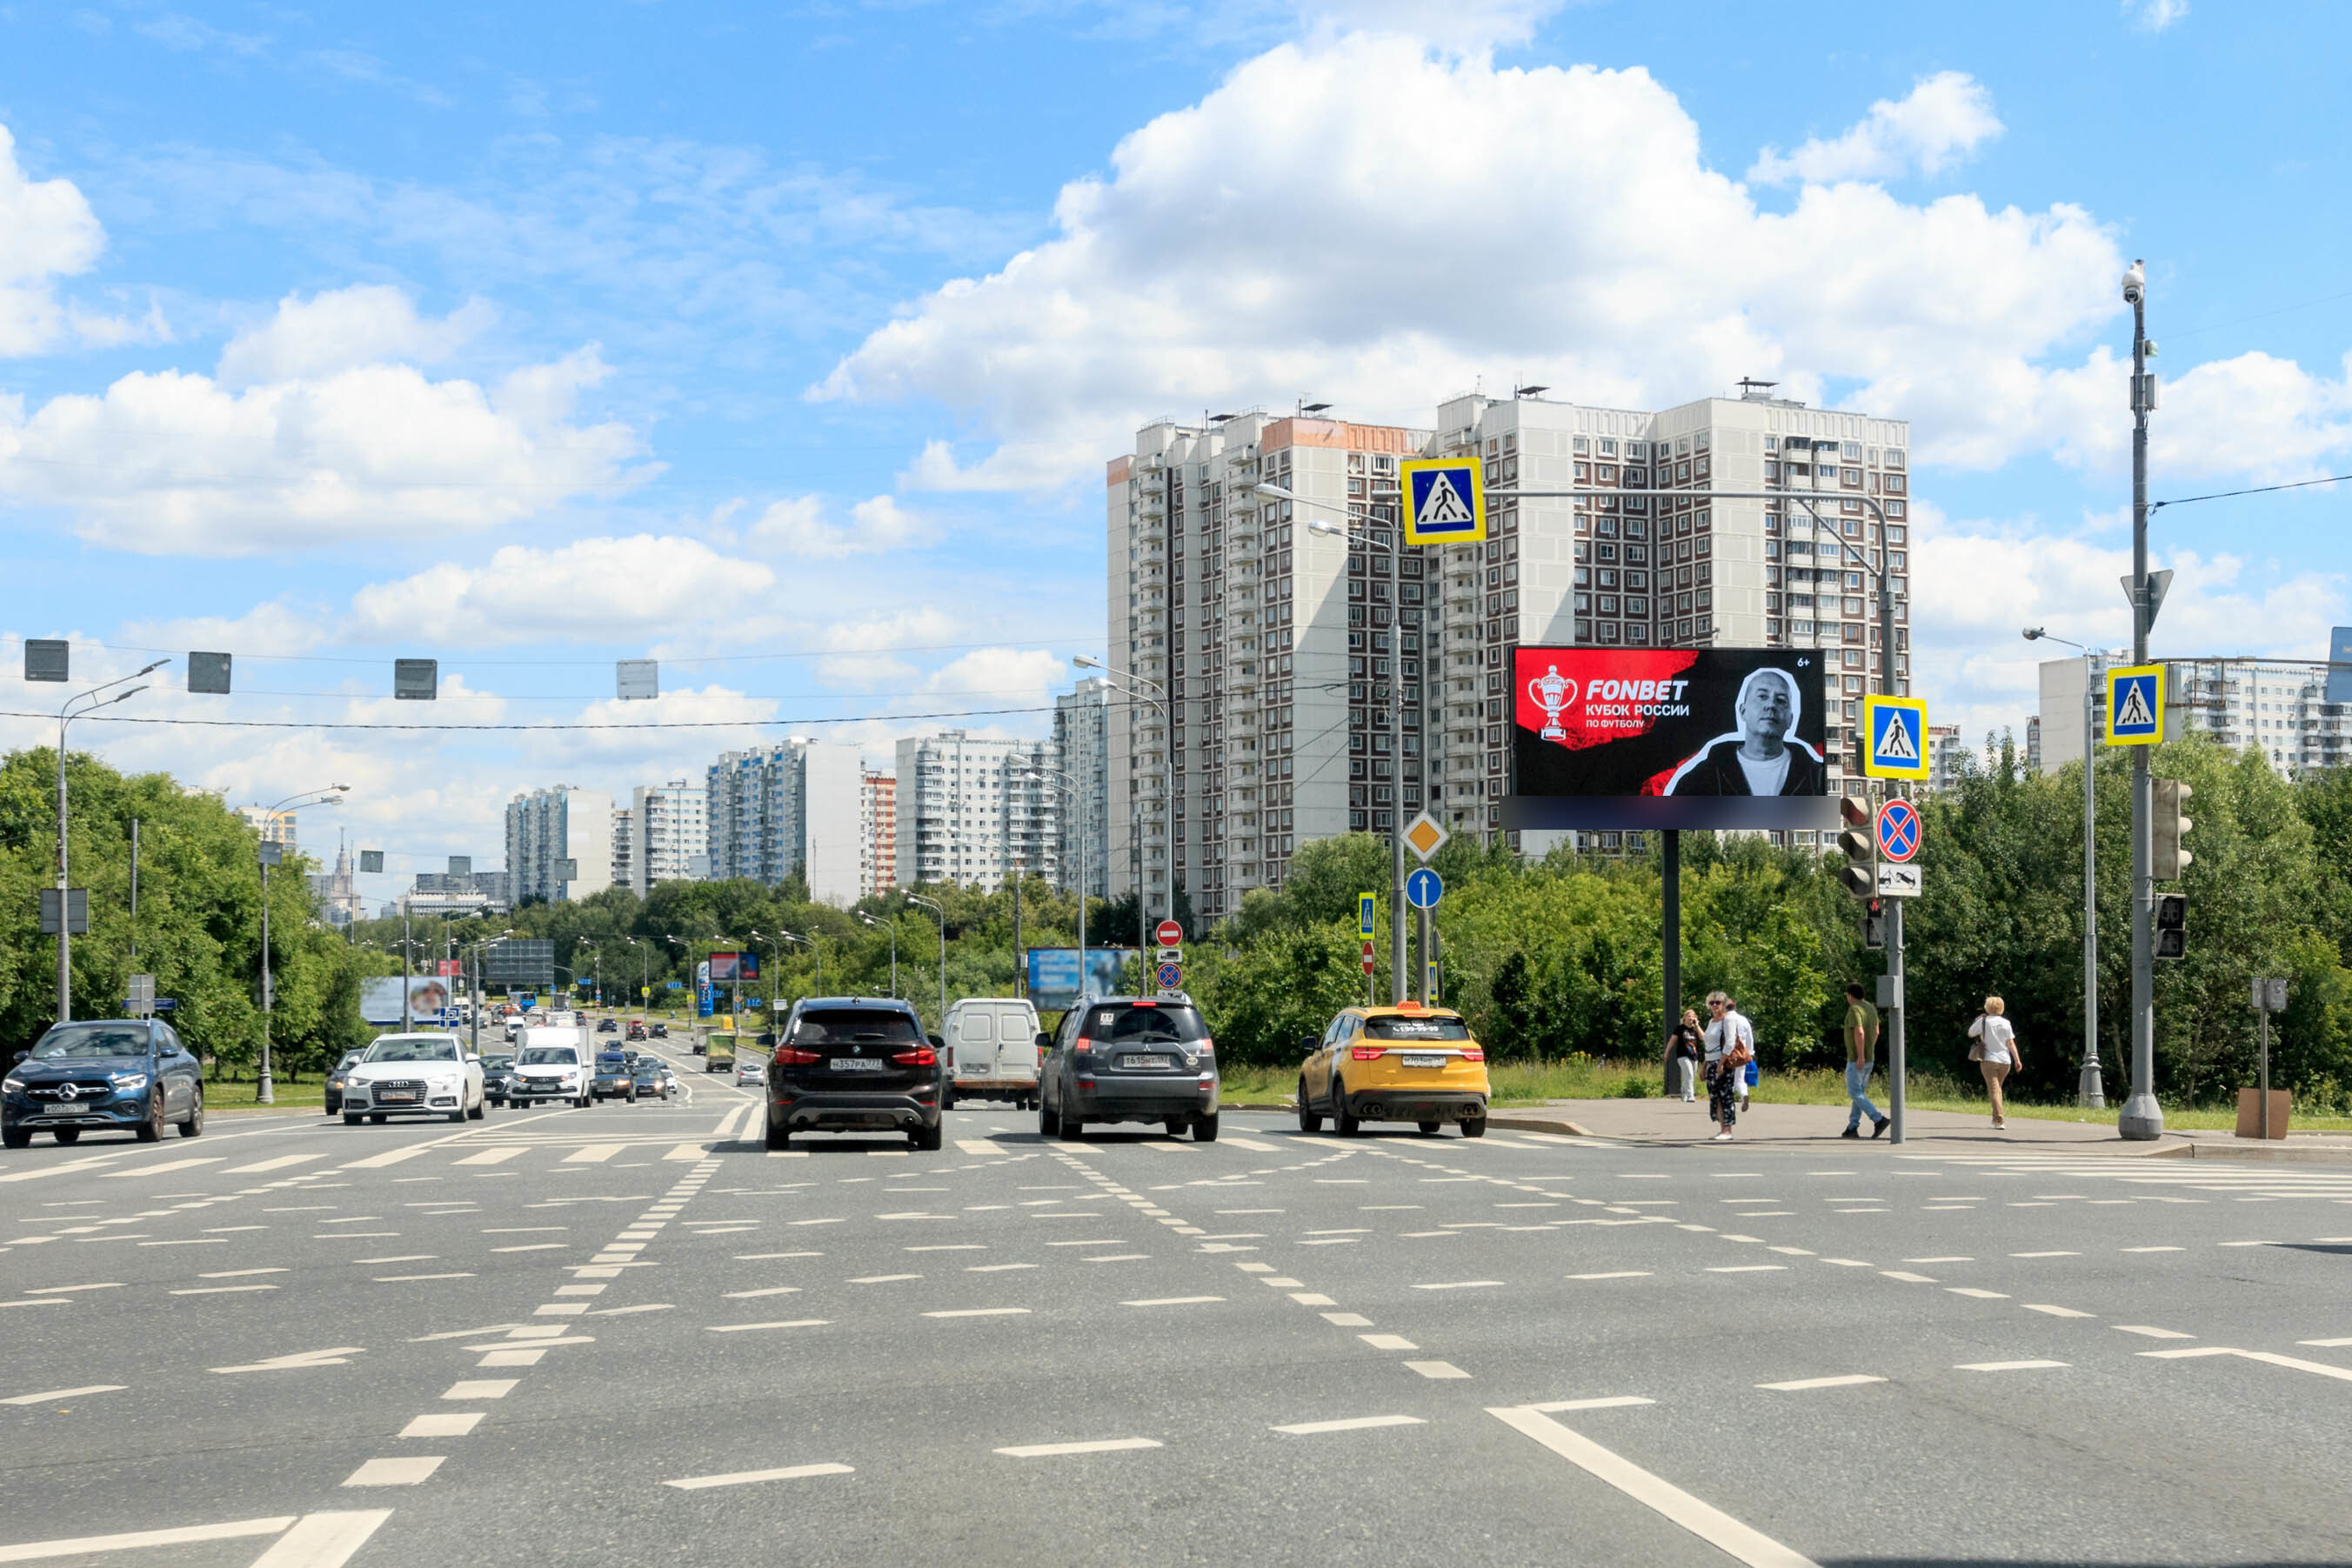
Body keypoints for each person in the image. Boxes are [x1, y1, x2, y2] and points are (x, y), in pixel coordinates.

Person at [1665, 666, 1826, 796]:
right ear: (1742, 711)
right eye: (1762, 696)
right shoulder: (1703, 777)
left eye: (1781, 700)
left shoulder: (1817, 777)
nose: (1771, 705)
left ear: (1791, 719)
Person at [1701, 991, 1754, 1141]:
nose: (1715, 1006)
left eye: (1718, 1002)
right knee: (1714, 1096)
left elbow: (1730, 1043)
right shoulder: (1711, 1022)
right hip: (1711, 1060)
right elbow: (1708, 1043)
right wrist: (1704, 1066)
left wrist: (1722, 1063)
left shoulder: (1729, 1020)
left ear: (1724, 1005)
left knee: (1725, 1095)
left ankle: (1727, 1130)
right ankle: (1722, 1128)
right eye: (1712, 1003)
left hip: (1723, 1062)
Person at [1841, 982, 1889, 1139]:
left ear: (1850, 995)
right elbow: (1876, 1031)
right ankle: (1852, 1127)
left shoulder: (1855, 1009)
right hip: (1869, 1057)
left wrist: (1860, 1055)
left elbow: (1859, 1032)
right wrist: (1869, 1050)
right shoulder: (1870, 1008)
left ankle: (1878, 1119)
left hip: (1857, 1059)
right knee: (1859, 1094)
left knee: (1854, 1092)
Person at [1968, 996, 2020, 1130]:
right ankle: (1995, 1118)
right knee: (1998, 1090)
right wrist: (2017, 1060)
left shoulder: (1984, 1021)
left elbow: (1970, 1033)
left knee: (1994, 1090)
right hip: (2005, 1061)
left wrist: (1978, 1020)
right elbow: (2010, 1042)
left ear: (1987, 1007)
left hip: (1989, 1060)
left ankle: (1999, 1119)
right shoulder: (2006, 1023)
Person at [1661, 1009, 1703, 1102]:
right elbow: (1672, 1041)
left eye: (1692, 1016)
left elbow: (1703, 1038)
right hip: (1682, 1055)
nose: (1691, 1018)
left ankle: (1683, 1091)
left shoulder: (1695, 1029)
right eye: (1689, 1016)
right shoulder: (1680, 1028)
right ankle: (1690, 1095)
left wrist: (1697, 1026)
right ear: (1684, 1018)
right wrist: (1666, 1052)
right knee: (1689, 1074)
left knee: (1691, 1076)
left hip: (1694, 1055)